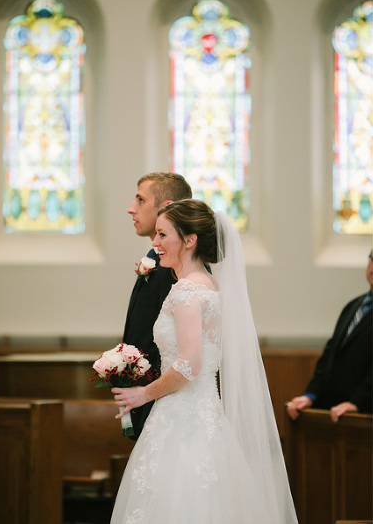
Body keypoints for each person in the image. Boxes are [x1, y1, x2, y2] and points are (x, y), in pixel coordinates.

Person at [111, 200, 297, 523]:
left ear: (190, 240)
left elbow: (189, 365)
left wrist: (143, 394)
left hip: (181, 421)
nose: (155, 242)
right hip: (202, 415)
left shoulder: (187, 291)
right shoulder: (209, 285)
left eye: (162, 234)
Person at [122, 172, 191, 438]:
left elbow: (175, 347)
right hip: (146, 397)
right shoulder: (157, 259)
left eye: (141, 200)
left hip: (162, 400)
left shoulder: (177, 270)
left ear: (166, 207)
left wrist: (145, 394)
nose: (131, 208)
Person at [286, 250, 373, 423]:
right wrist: (311, 395)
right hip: (331, 406)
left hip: (362, 412)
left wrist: (357, 402)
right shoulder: (353, 306)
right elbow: (330, 354)